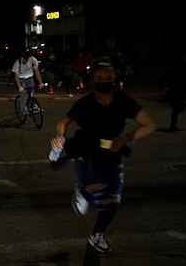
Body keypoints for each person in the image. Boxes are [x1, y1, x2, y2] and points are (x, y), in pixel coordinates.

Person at [50, 57, 155, 253]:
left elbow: (148, 125)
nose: (105, 80)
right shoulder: (85, 103)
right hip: (87, 154)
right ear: (93, 81)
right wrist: (58, 137)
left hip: (113, 155)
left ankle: (96, 235)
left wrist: (126, 138)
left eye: (109, 76)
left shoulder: (124, 101)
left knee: (113, 201)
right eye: (100, 77)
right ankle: (84, 191)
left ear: (115, 78)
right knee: (100, 198)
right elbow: (63, 122)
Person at [158, 59, 186, 131]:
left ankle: (173, 124)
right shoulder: (178, 74)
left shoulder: (177, 74)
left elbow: (162, 79)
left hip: (176, 93)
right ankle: (173, 124)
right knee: (176, 109)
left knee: (176, 109)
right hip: (177, 93)